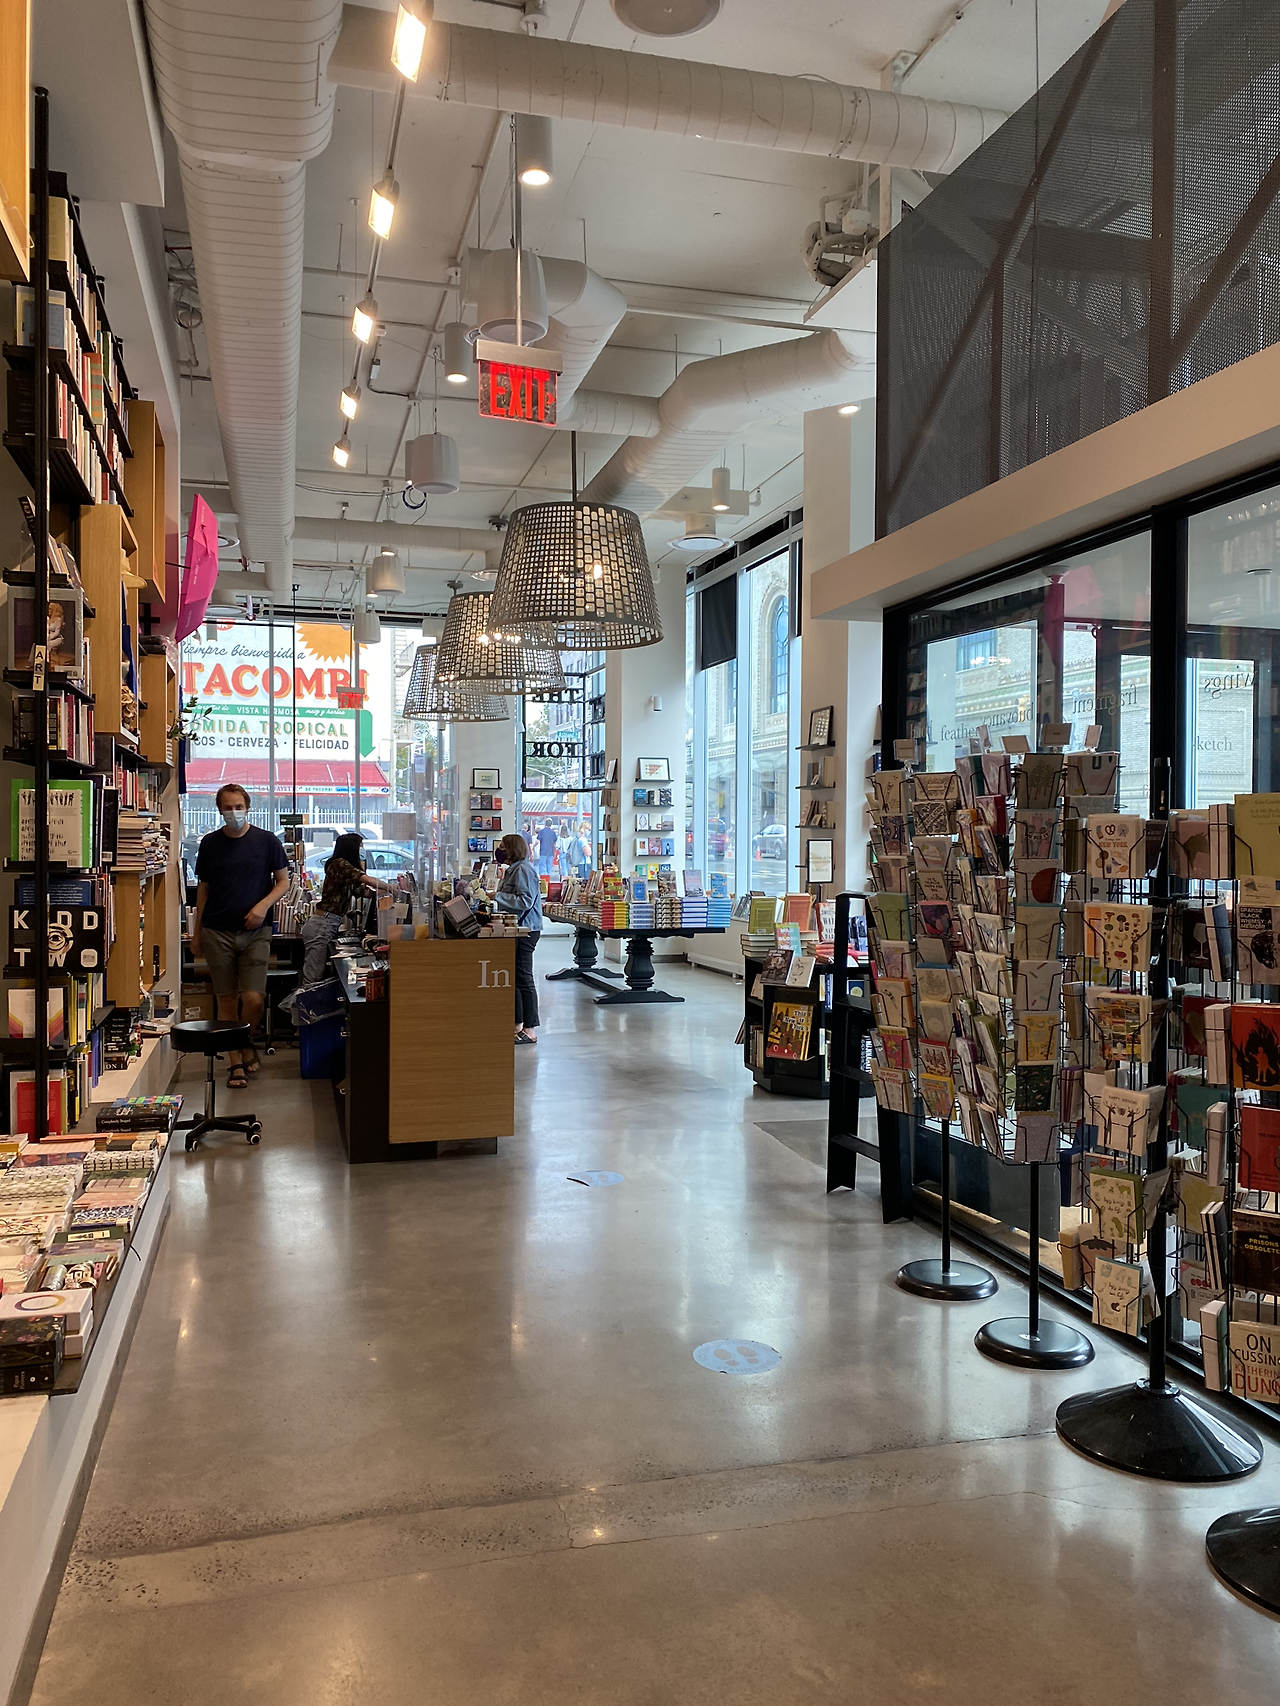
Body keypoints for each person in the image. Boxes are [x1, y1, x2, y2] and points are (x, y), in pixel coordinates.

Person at [192, 784, 292, 1089]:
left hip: (256, 932)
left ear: (248, 808)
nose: (233, 812)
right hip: (216, 930)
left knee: (253, 998)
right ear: (219, 810)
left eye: (238, 806)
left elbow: (283, 882)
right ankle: (235, 1062)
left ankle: (245, 1039)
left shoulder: (267, 840)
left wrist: (262, 907)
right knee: (226, 999)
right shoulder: (210, 843)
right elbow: (203, 891)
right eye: (228, 807)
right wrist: (196, 933)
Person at [299, 832, 394, 986]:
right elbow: (368, 880)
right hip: (322, 924)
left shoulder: (345, 873)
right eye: (360, 846)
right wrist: (391, 887)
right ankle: (301, 1001)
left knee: (317, 975)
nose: (362, 849)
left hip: (326, 923)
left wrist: (391, 892)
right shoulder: (340, 864)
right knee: (313, 979)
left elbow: (366, 892)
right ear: (352, 848)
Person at [494, 832, 542, 1045]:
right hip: (517, 929)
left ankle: (530, 1029)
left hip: (526, 930)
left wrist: (496, 896)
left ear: (511, 849)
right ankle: (517, 1024)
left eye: (502, 847)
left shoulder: (522, 870)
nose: (499, 851)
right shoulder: (513, 869)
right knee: (514, 977)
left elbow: (525, 900)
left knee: (523, 977)